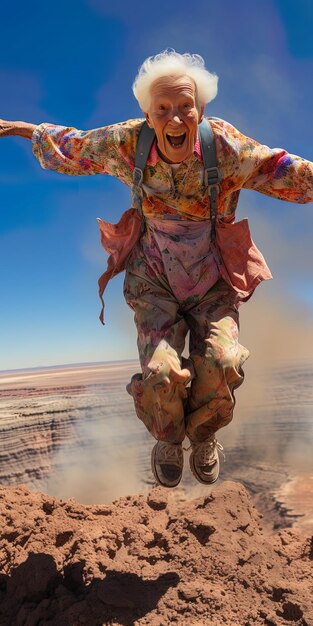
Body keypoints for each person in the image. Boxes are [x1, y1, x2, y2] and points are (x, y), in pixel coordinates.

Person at [1, 50, 312, 489]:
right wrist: (22, 129)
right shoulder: (129, 143)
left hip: (212, 280)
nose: (175, 119)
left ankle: (203, 437)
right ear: (148, 114)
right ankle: (168, 439)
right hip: (154, 280)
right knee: (161, 375)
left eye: (185, 106)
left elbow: (279, 168)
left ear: (200, 109)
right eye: (162, 109)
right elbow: (74, 148)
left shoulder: (224, 147)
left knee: (222, 363)